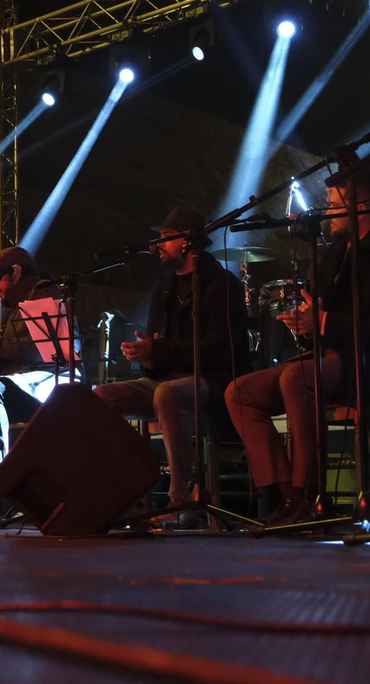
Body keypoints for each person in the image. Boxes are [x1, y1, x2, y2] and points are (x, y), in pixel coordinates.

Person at [223, 171, 370, 525]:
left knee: (296, 377)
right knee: (239, 392)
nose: (327, 213)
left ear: (363, 207)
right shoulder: (335, 255)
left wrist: (322, 322)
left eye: (335, 206)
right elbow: (321, 319)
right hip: (335, 360)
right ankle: (291, 498)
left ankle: (310, 493)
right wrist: (306, 326)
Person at [93, 207, 252, 523]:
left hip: (213, 380)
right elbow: (158, 349)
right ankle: (125, 493)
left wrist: (160, 350)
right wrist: (146, 355)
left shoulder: (223, 284)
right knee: (101, 396)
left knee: (168, 394)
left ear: (189, 243)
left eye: (166, 237)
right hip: (165, 378)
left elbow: (221, 349)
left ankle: (181, 499)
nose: (158, 244)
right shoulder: (164, 287)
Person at [0, 246, 66, 507]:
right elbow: (22, 353)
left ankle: (1, 486)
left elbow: (43, 351)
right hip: (32, 381)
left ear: (16, 272)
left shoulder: (44, 292)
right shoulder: (19, 301)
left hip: (54, 380)